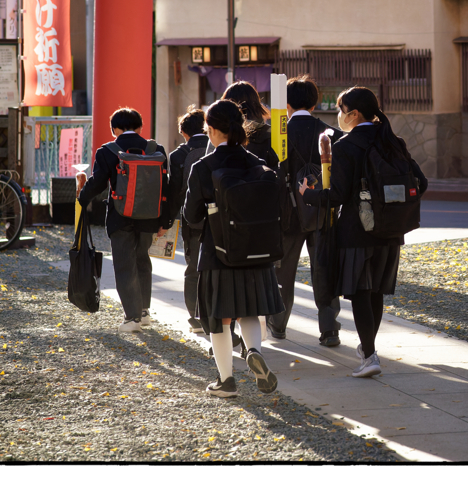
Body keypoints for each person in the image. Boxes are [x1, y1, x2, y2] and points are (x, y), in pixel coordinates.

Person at [299, 87, 427, 378]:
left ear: (354, 114)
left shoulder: (346, 146)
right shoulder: (393, 141)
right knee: (376, 292)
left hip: (357, 232)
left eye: (341, 110)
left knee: (360, 292)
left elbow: (337, 196)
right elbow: (422, 182)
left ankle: (369, 356)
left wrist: (308, 194)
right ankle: (368, 350)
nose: (339, 115)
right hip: (391, 231)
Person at [183, 99, 284, 398]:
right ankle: (254, 351)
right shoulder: (257, 162)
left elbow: (192, 216)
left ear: (212, 130)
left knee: (219, 320)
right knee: (249, 310)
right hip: (257, 251)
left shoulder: (204, 166)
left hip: (218, 253)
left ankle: (226, 381)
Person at [76, 107, 171, 332]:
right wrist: (165, 220)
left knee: (124, 264)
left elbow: (98, 182)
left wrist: (82, 198)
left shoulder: (107, 151)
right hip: (150, 216)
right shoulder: (156, 150)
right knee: (142, 260)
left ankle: (132, 318)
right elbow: (165, 187)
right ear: (140, 127)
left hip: (120, 217)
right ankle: (144, 312)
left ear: (115, 129)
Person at [267, 75, 345, 346]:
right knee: (324, 269)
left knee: (283, 271)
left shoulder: (276, 135)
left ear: (286, 104)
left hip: (287, 214)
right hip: (323, 211)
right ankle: (329, 329)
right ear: (314, 104)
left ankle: (278, 325)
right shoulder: (332, 134)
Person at [166, 106, 209, 334]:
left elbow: (175, 192)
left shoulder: (178, 155)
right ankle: (214, 313)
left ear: (184, 132)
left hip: (192, 219)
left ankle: (195, 317)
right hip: (219, 218)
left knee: (193, 268)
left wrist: (166, 221)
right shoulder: (217, 147)